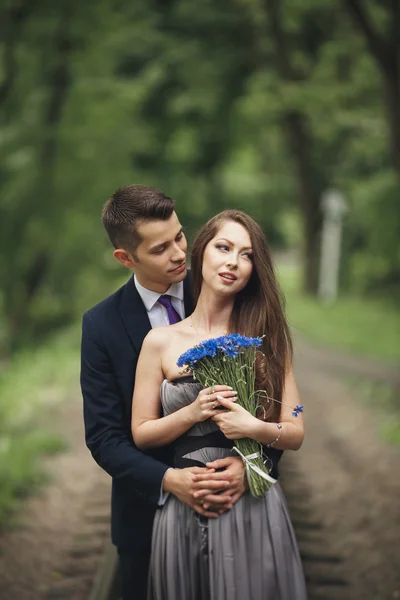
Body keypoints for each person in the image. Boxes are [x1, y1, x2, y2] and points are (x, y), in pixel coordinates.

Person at [131, 209, 307, 600]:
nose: (233, 262)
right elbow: (141, 434)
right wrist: (194, 411)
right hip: (183, 505)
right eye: (223, 247)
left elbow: (295, 428)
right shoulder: (160, 342)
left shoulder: (267, 341)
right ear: (201, 253)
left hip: (252, 504)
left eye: (246, 255)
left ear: (255, 269)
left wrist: (255, 434)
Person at [80, 186, 246, 600]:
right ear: (125, 258)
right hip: (146, 518)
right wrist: (170, 480)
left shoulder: (224, 292)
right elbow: (104, 437)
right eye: (160, 249)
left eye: (179, 237)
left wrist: (255, 468)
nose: (177, 254)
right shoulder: (101, 326)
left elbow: (273, 399)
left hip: (234, 506)